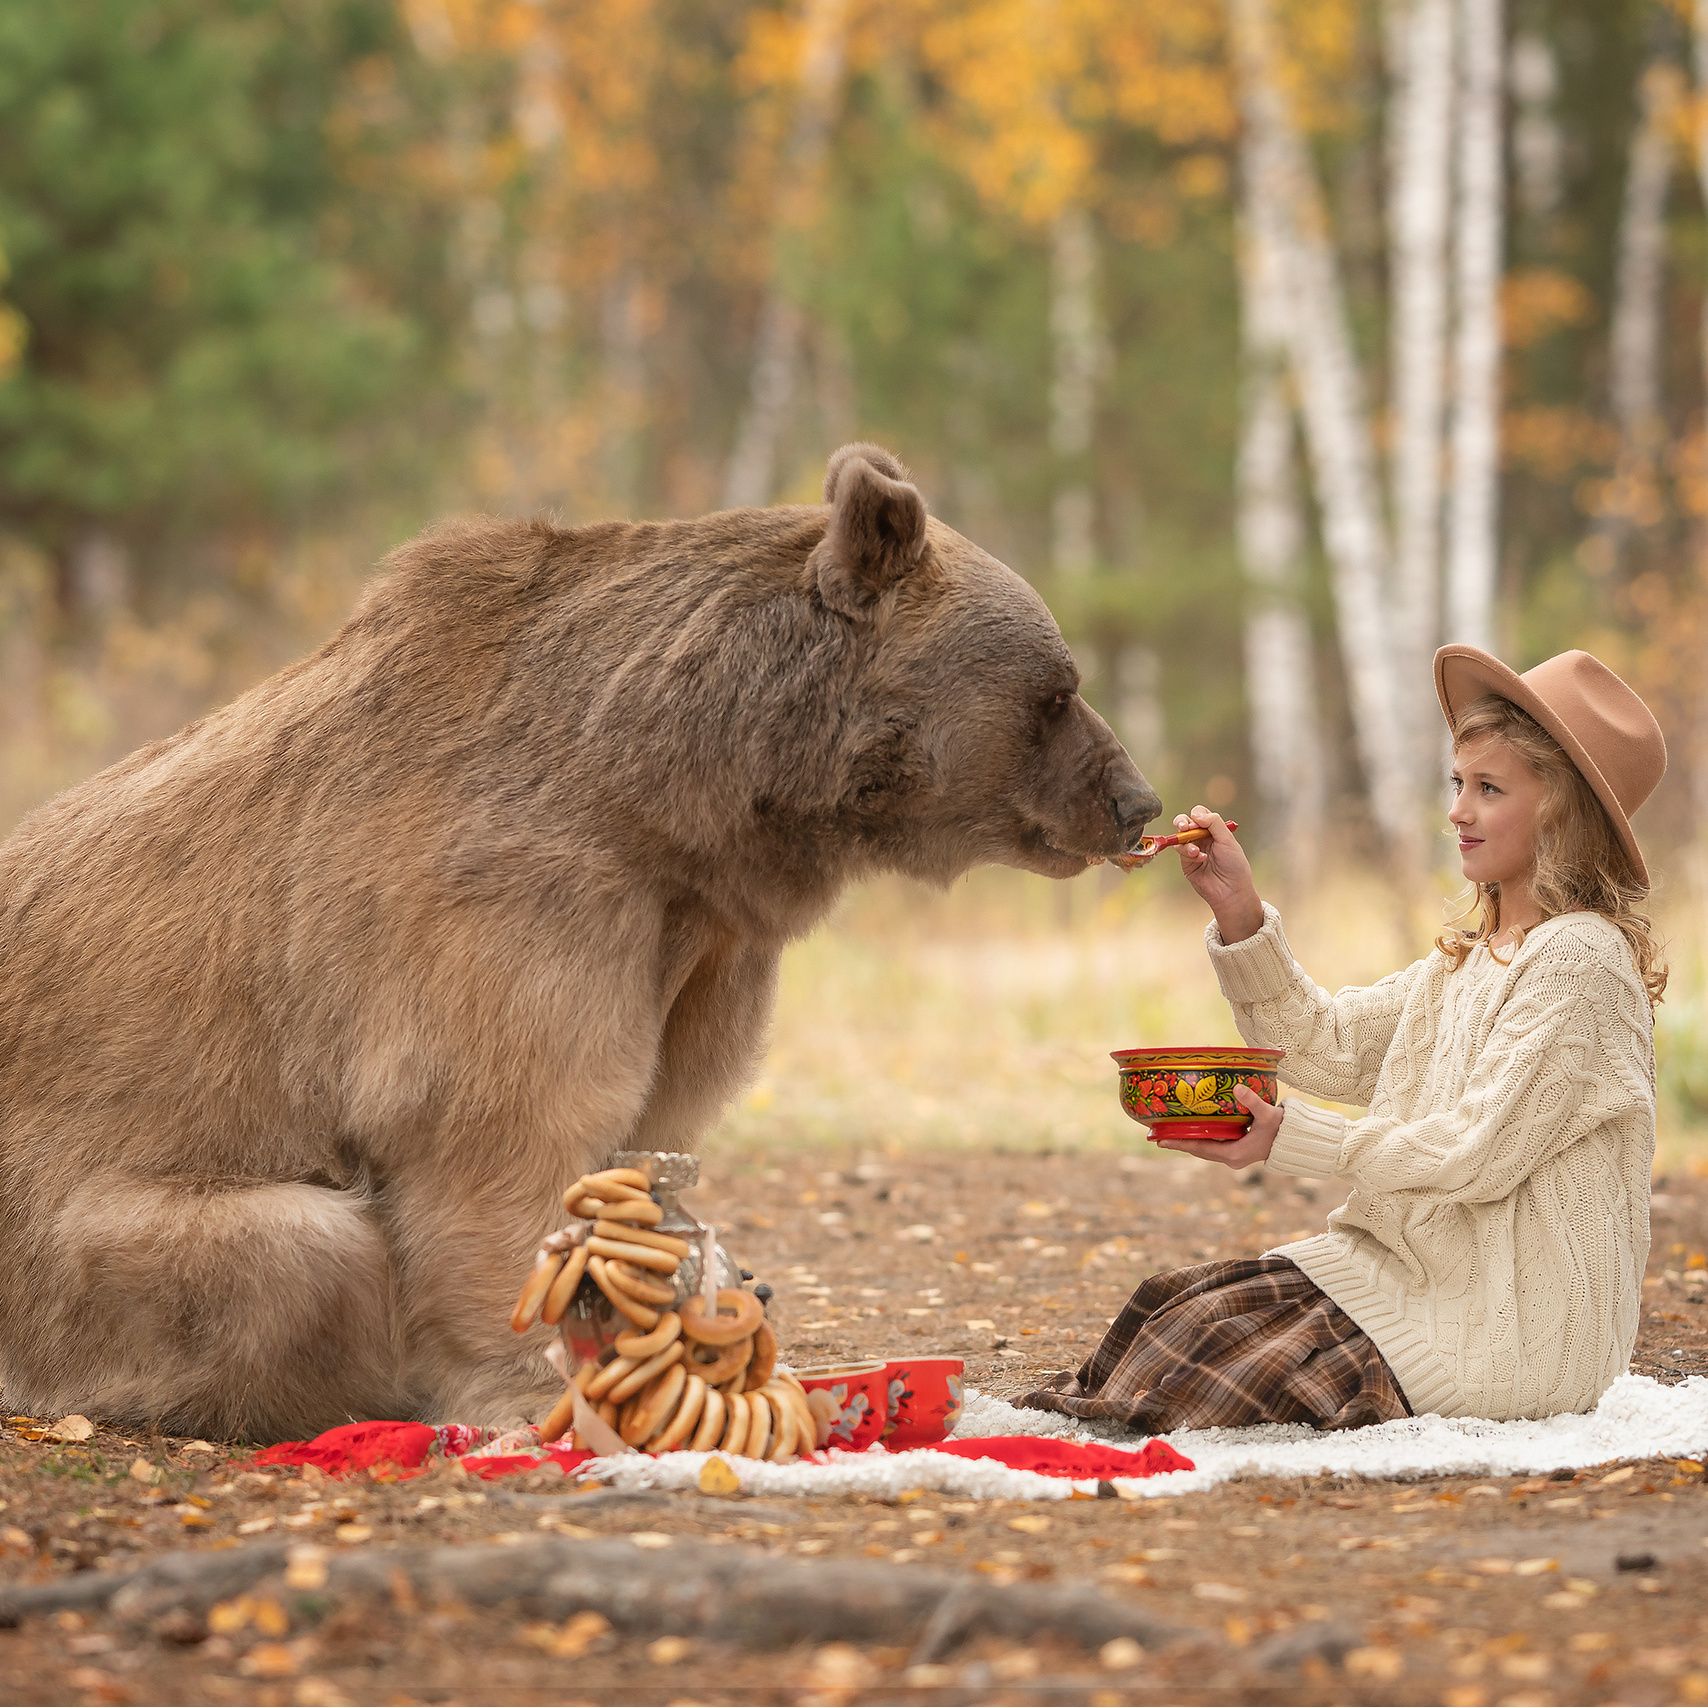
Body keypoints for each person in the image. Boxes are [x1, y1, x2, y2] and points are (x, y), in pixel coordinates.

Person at [1021, 645, 1667, 1430]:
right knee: (1181, 1311)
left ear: (1564, 811)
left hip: (1507, 1332)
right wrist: (1239, 911)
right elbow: (1324, 1044)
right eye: (1458, 784)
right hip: (1404, 1274)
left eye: (1489, 789)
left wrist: (1291, 1139)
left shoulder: (1580, 961)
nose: (1458, 810)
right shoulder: (1470, 959)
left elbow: (1475, 1151)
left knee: (1202, 1369)